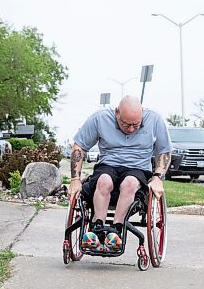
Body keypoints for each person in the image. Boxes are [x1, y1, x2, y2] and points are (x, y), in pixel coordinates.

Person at [68, 95, 172, 250]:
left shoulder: (154, 119)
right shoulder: (100, 118)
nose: (130, 129)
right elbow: (79, 147)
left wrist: (158, 177)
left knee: (129, 183)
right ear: (117, 112)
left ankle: (116, 230)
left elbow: (164, 151)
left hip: (138, 168)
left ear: (142, 113)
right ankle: (97, 228)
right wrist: (75, 179)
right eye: (125, 124)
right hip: (108, 165)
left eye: (135, 125)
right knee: (103, 181)